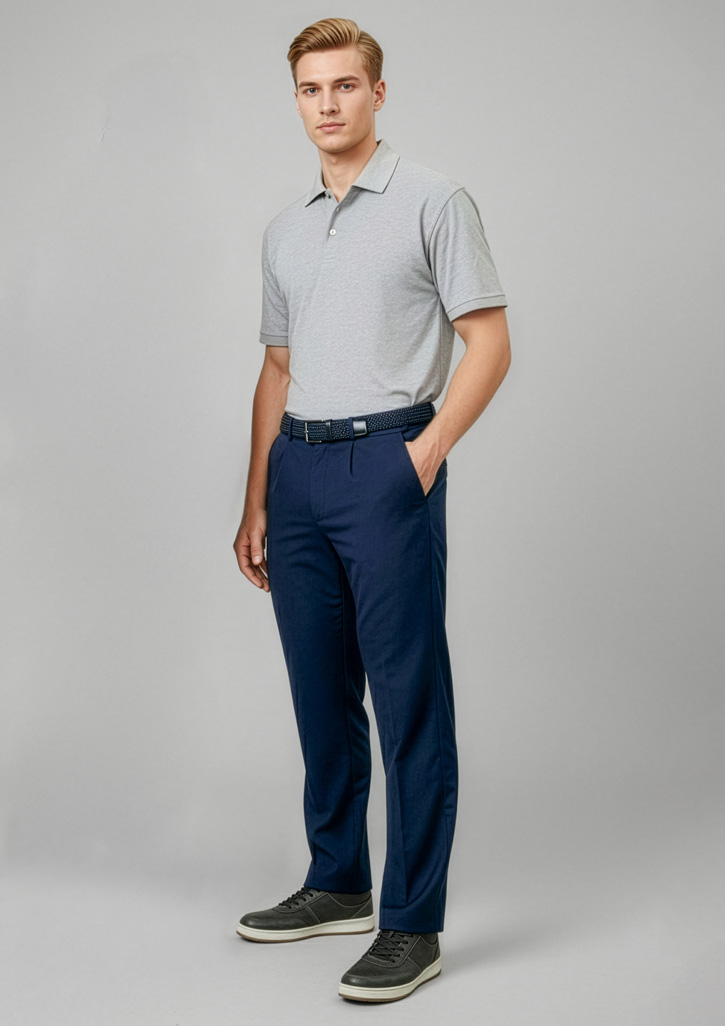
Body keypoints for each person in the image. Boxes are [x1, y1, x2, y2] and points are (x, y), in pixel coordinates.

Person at [232, 16, 511, 1003]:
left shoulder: (434, 200)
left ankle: (411, 924)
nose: (328, 104)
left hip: (386, 465)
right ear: (295, 100)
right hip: (297, 474)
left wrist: (421, 458)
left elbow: (489, 342)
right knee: (320, 692)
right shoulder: (285, 229)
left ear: (377, 93)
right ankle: (338, 880)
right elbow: (276, 368)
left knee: (406, 698)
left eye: (344, 85)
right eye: (311, 89)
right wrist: (256, 498)